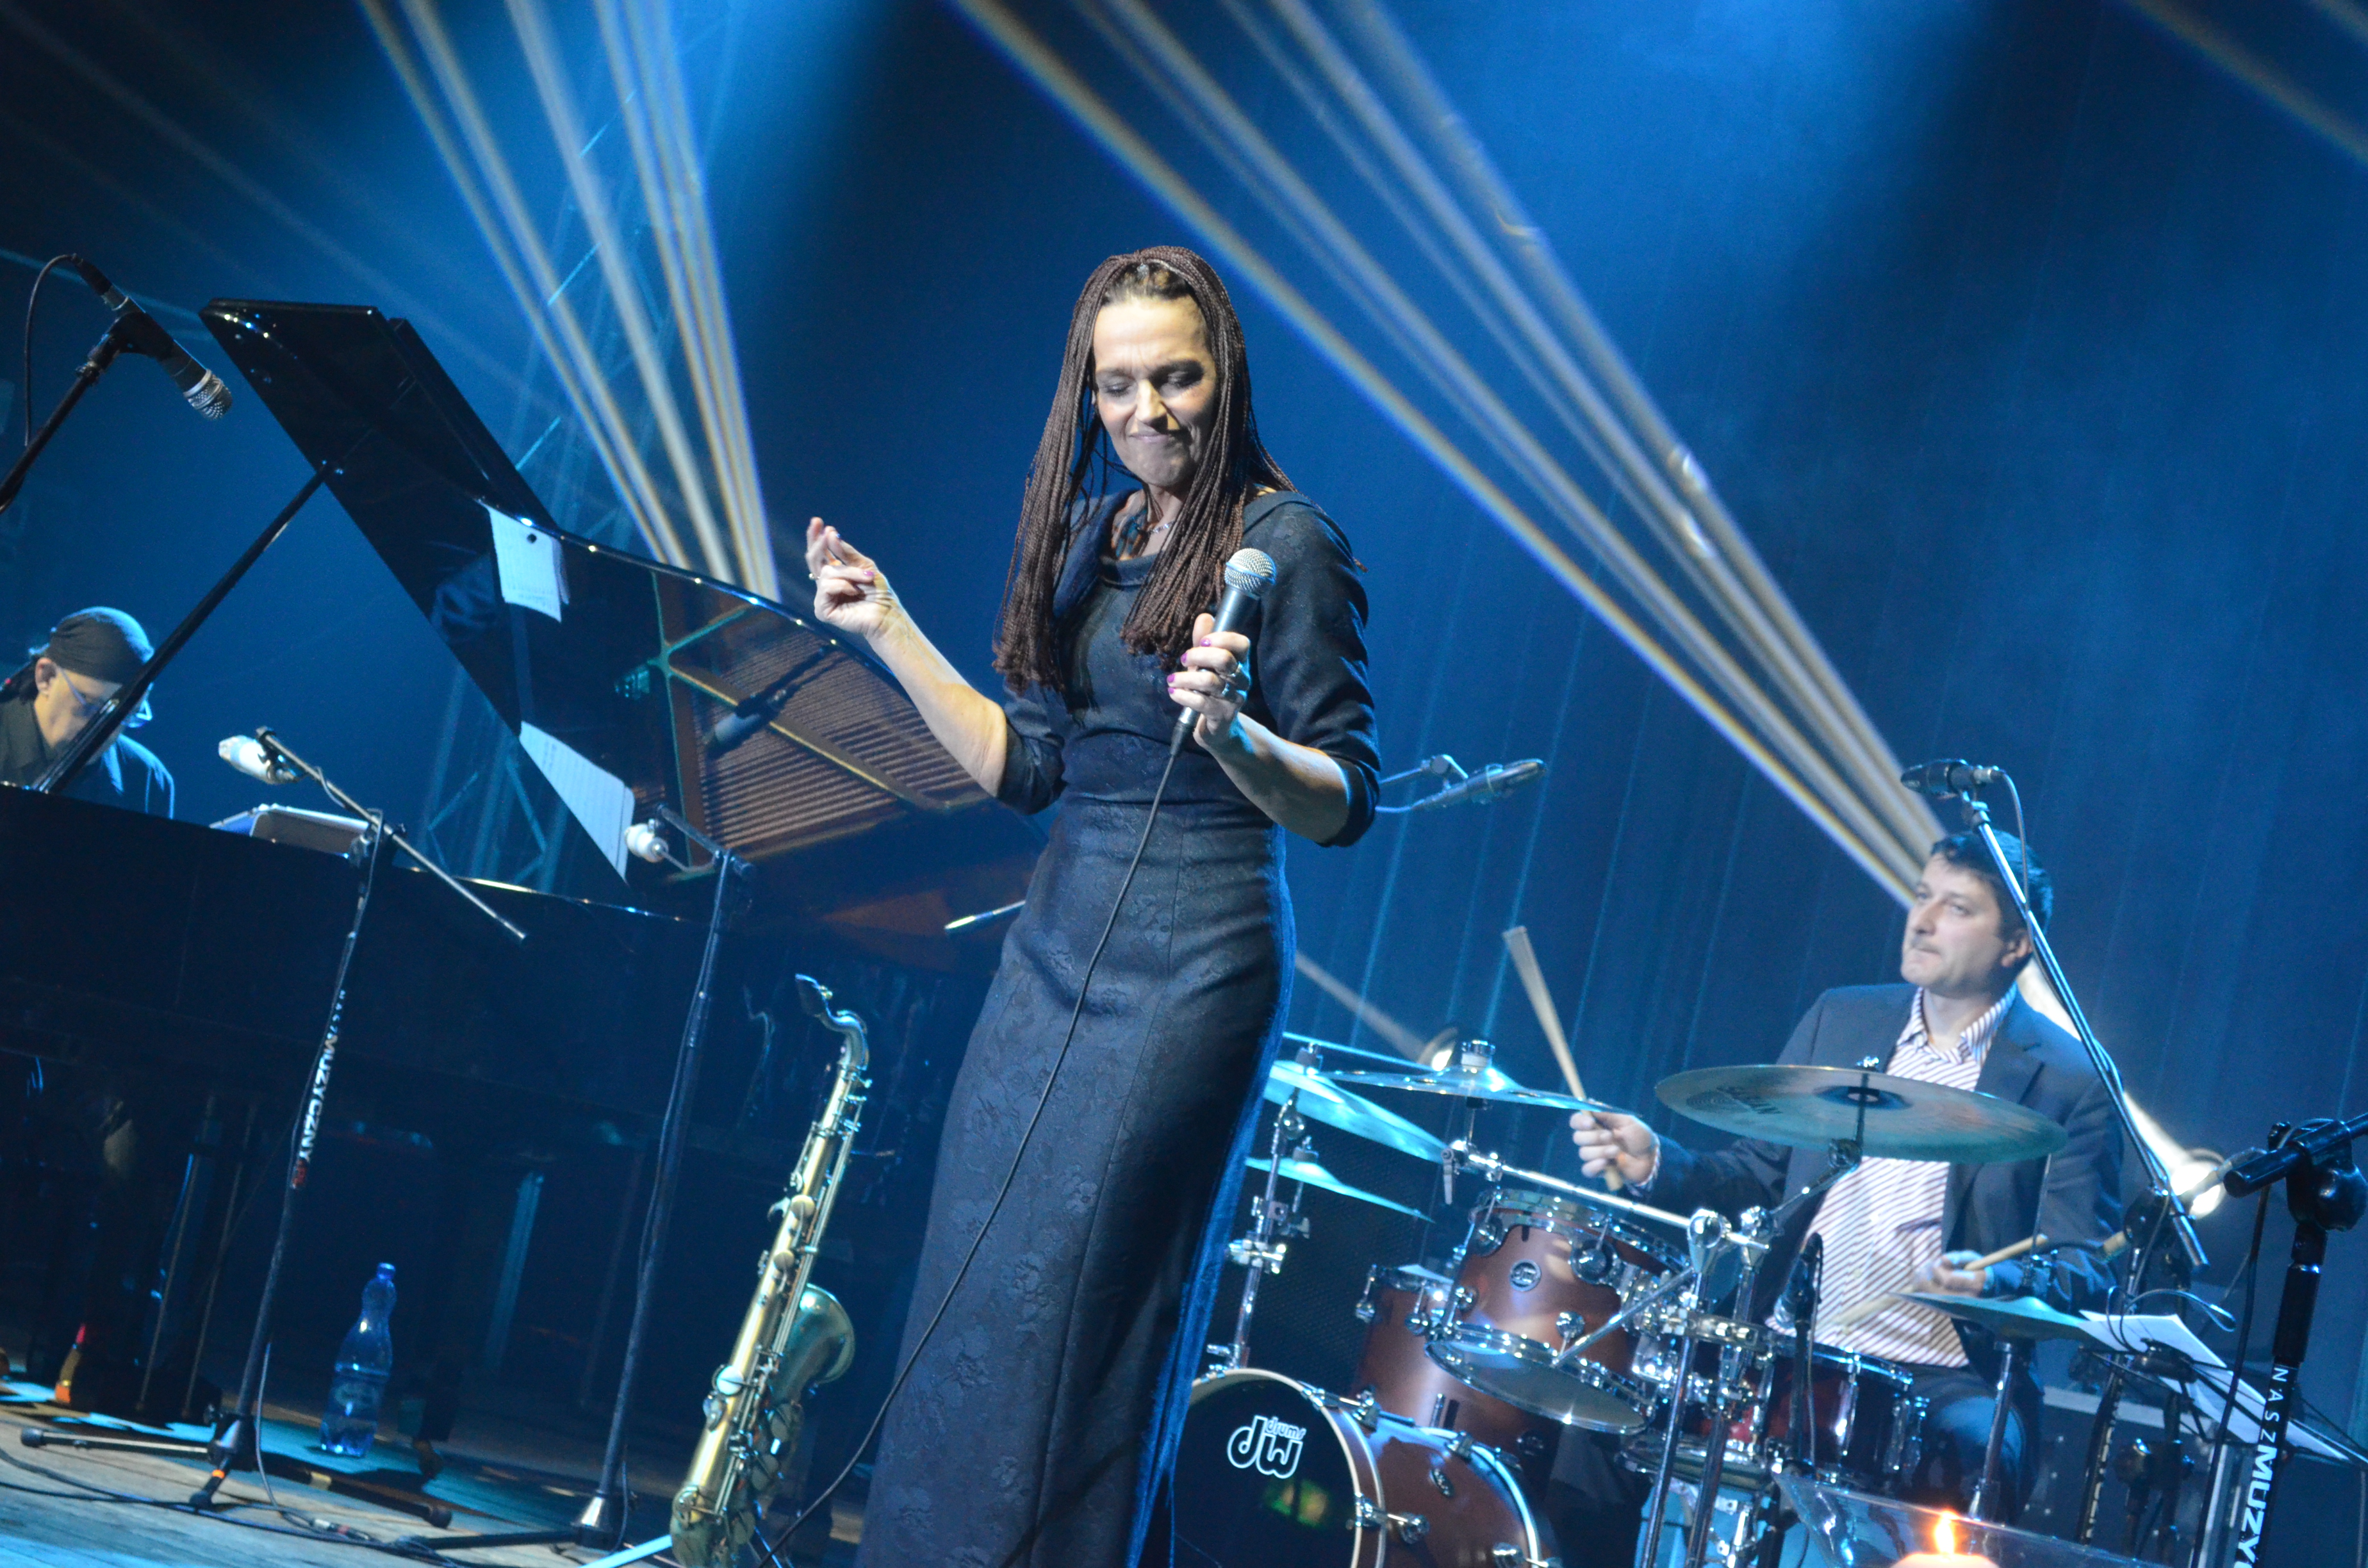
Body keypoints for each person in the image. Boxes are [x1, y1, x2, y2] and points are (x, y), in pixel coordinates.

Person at [809, 248, 1379, 1568]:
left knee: (1086, 1315)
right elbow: (1027, 766)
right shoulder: (1090, 537)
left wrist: (1236, 735)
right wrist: (885, 625)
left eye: (1175, 377)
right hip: (1054, 950)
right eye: (1117, 385)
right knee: (974, 1304)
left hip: (1195, 966)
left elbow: (1348, 798)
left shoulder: (1289, 544)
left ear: (1226, 375)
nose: (1146, 411)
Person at [1568, 832, 2121, 1528]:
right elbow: (1758, 1176)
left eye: (1957, 908)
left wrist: (1996, 1279)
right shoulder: (1843, 1017)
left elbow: (2084, 1262)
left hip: (1944, 1377)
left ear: (2017, 944)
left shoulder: (2071, 1078)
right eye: (1922, 896)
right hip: (1784, 1345)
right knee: (1600, 1409)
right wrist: (1658, 1163)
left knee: (1978, 1464)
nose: (1922, 921)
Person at [0, 607, 173, 815]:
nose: (107, 732)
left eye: (126, 716)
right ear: (46, 677)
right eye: (92, 706)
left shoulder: (147, 779)